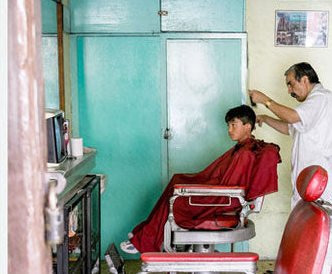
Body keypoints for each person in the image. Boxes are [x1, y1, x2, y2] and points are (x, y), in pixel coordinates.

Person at [119, 105, 281, 256]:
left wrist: (197, 188)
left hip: (223, 200)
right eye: (228, 126)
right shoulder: (244, 147)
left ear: (247, 126)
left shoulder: (245, 153)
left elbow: (230, 186)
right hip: (223, 194)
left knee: (175, 201)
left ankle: (144, 241)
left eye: (234, 125)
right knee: (177, 181)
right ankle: (145, 233)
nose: (229, 130)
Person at [249, 62, 332, 274]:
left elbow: (292, 117)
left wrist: (266, 100)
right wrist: (264, 118)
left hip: (318, 183)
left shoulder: (321, 98)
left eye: (291, 84)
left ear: (305, 79)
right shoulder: (313, 106)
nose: (290, 91)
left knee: (319, 237)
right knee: (312, 238)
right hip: (308, 184)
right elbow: (289, 127)